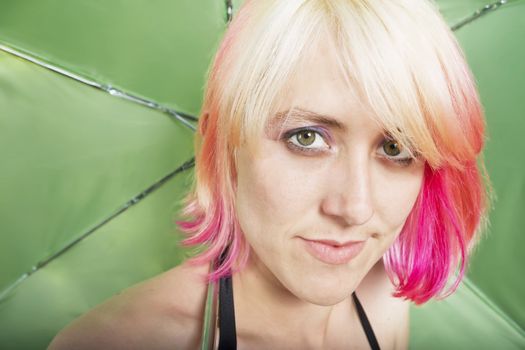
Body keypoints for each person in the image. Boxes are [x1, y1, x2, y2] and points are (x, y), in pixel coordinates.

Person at [49, 0, 489, 349]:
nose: (355, 208)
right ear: (222, 142)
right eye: (307, 138)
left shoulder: (383, 301)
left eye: (397, 148)